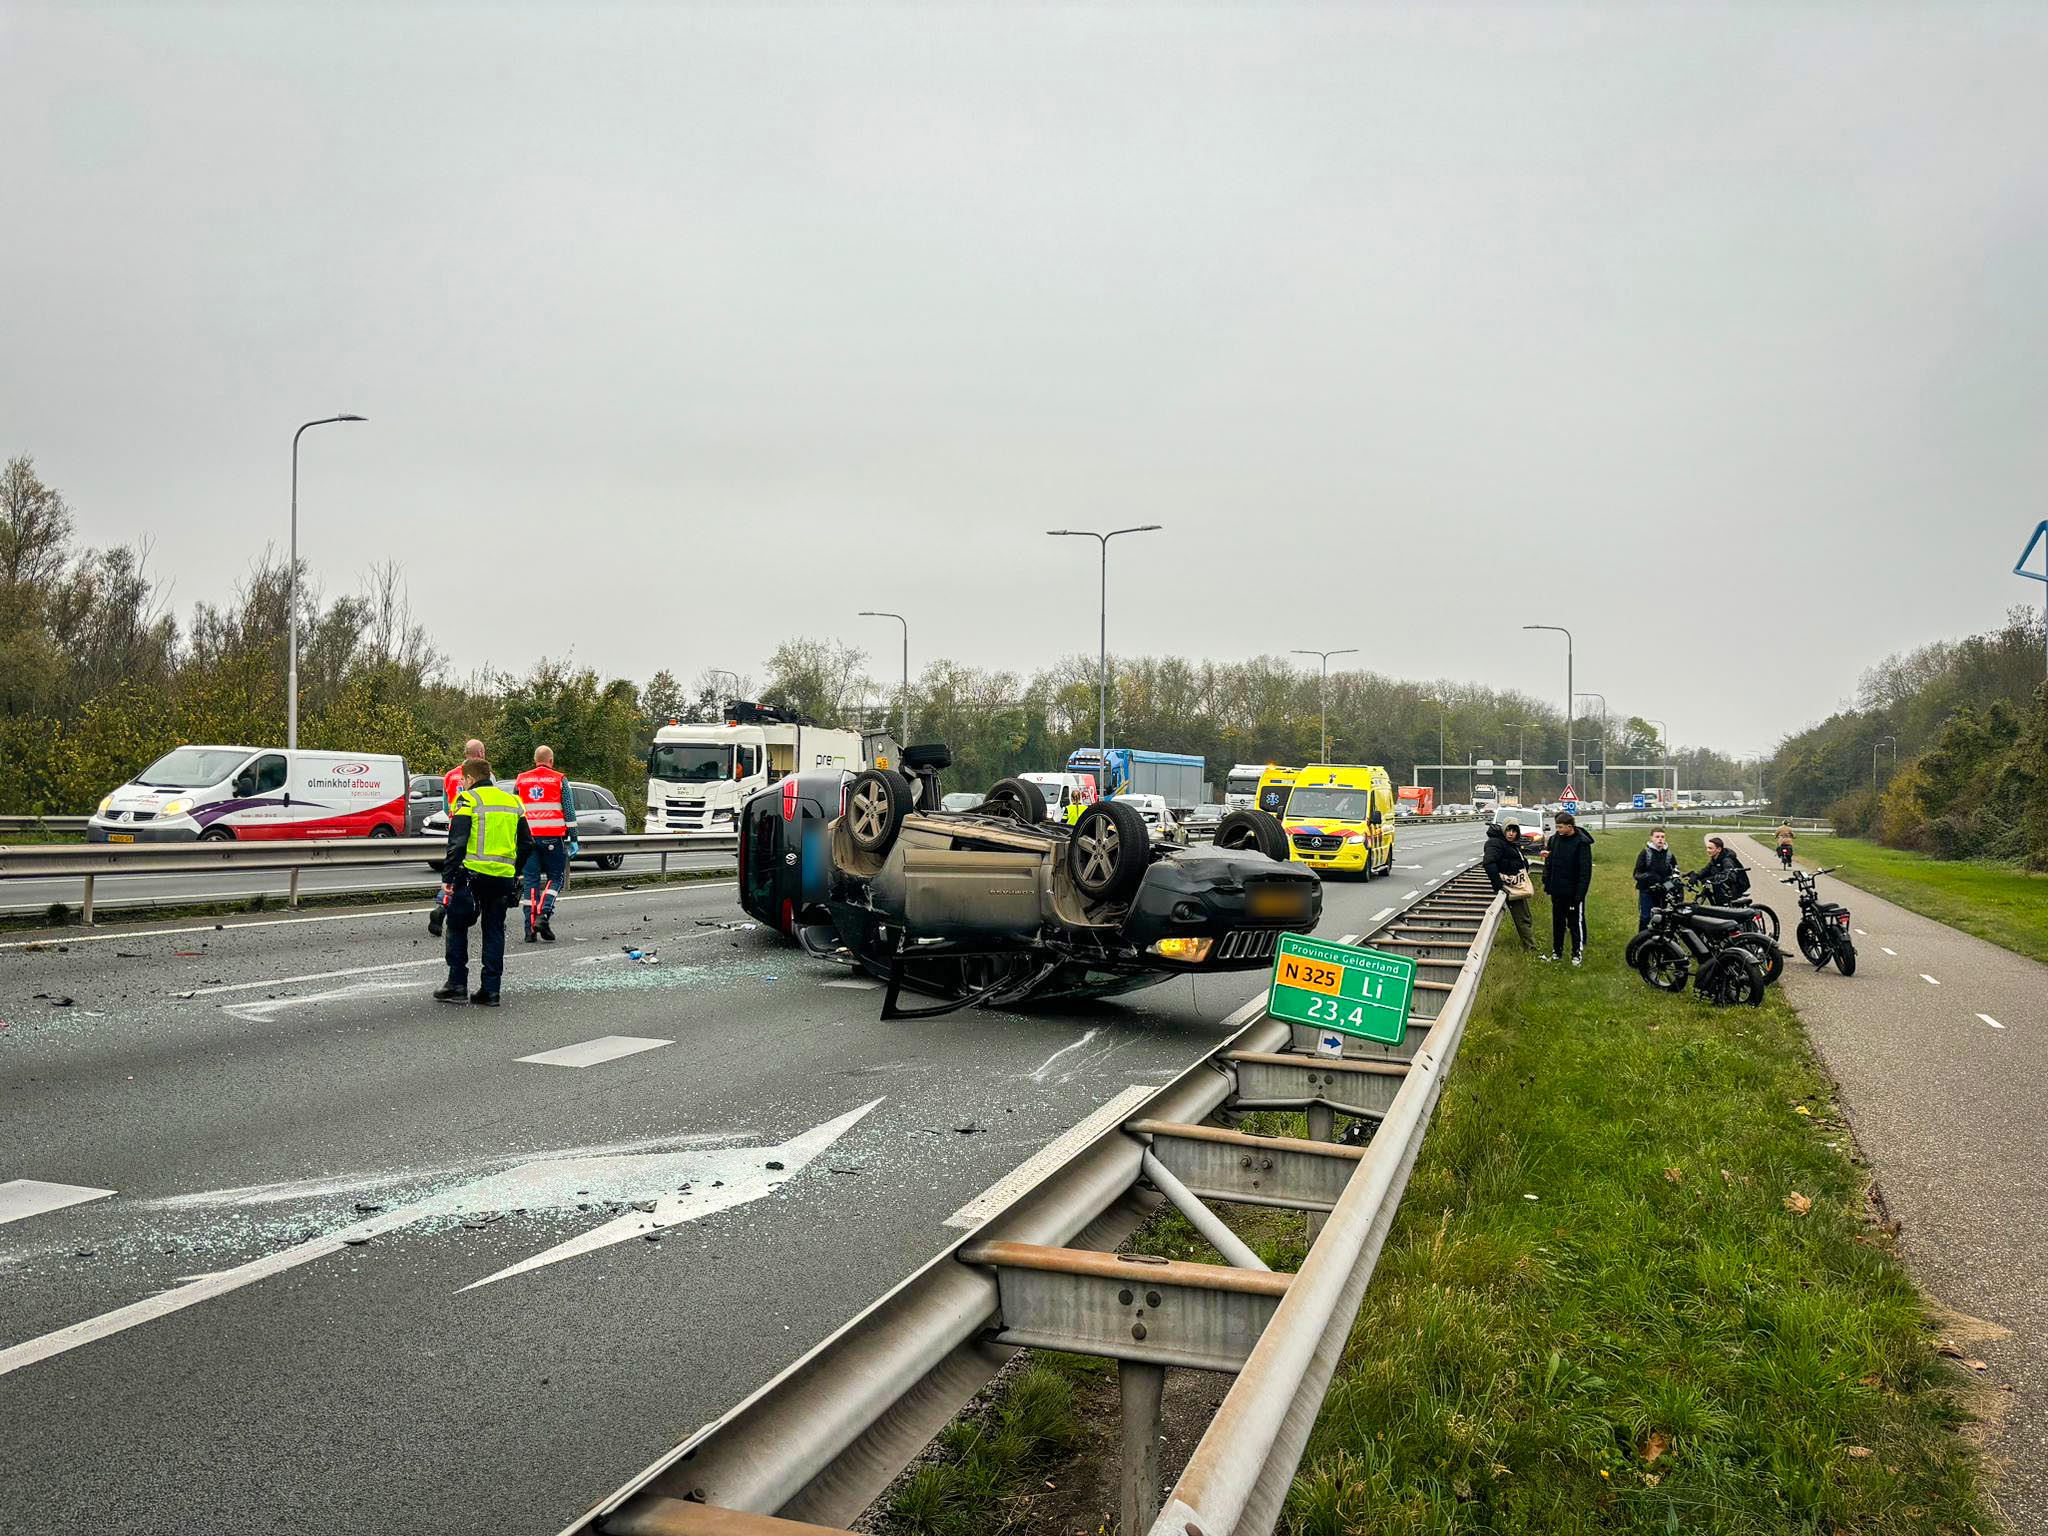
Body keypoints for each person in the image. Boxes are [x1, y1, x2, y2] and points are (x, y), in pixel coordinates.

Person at [435, 758, 530, 1007]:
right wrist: (514, 870)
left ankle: (457, 985)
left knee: (457, 926)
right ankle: (490, 991)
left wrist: (447, 877)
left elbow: (457, 842)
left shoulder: (468, 800)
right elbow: (527, 843)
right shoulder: (513, 801)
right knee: (494, 930)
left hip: (471, 876)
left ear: (468, 779)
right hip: (502, 879)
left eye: (463, 781)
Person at [515, 745, 578, 943]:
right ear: (551, 761)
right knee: (556, 878)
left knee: (531, 882)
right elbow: (568, 810)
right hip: (552, 836)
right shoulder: (559, 779)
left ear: (535, 760)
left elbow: (515, 808)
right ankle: (544, 914)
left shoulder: (521, 779)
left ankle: (529, 930)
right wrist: (574, 837)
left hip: (527, 838)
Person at [429, 738, 487, 939]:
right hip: (478, 829)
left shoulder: (450, 775)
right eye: (484, 752)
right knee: (480, 872)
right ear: (479, 753)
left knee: (453, 871)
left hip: (456, 829)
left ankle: (441, 906)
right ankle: (489, 915)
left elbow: (446, 806)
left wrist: (455, 818)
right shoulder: (484, 774)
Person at [1541, 810, 1594, 965]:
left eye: (1560, 827)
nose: (1557, 830)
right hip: (1557, 890)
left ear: (1570, 827)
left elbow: (1585, 871)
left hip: (1573, 892)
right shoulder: (1554, 840)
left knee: (1574, 923)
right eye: (1556, 827)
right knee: (1558, 922)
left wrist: (1579, 894)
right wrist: (1547, 883)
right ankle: (1557, 952)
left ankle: (1576, 953)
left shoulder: (1581, 843)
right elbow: (1550, 864)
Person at [1482, 817, 1537, 950]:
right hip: (1508, 887)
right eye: (1509, 830)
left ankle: (1530, 946)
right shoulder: (1495, 843)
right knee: (1523, 918)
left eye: (1514, 831)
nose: (1511, 834)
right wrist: (1499, 885)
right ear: (1504, 830)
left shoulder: (1511, 844)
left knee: (1526, 917)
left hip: (1514, 885)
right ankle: (1531, 948)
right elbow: (1489, 863)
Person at [1633, 827, 1679, 930]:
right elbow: (1636, 874)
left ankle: (1659, 940)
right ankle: (1642, 940)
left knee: (1662, 916)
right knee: (1646, 916)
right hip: (1646, 890)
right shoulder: (1645, 853)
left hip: (1663, 891)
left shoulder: (1669, 855)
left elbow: (1675, 875)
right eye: (1657, 837)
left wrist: (1668, 886)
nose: (1660, 839)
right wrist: (1649, 876)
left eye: (1662, 837)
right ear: (1651, 838)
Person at [1697, 835, 1749, 901]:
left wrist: (1712, 878)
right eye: (1707, 848)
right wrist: (1696, 876)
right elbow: (1706, 870)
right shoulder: (1715, 859)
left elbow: (1731, 877)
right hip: (1722, 887)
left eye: (1710, 848)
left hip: (1736, 886)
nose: (1707, 850)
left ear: (1719, 849)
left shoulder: (1726, 860)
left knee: (1723, 905)